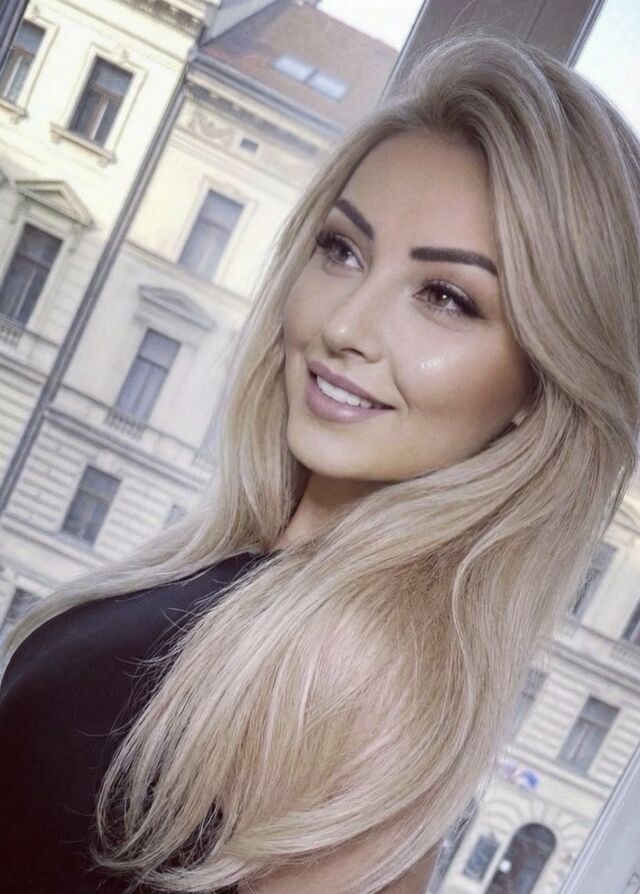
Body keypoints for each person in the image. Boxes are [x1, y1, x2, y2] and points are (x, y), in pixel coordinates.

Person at [2, 26, 640, 894]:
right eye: (342, 250)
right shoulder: (248, 571)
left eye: (445, 297)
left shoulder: (362, 683)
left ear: (543, 377)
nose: (344, 326)